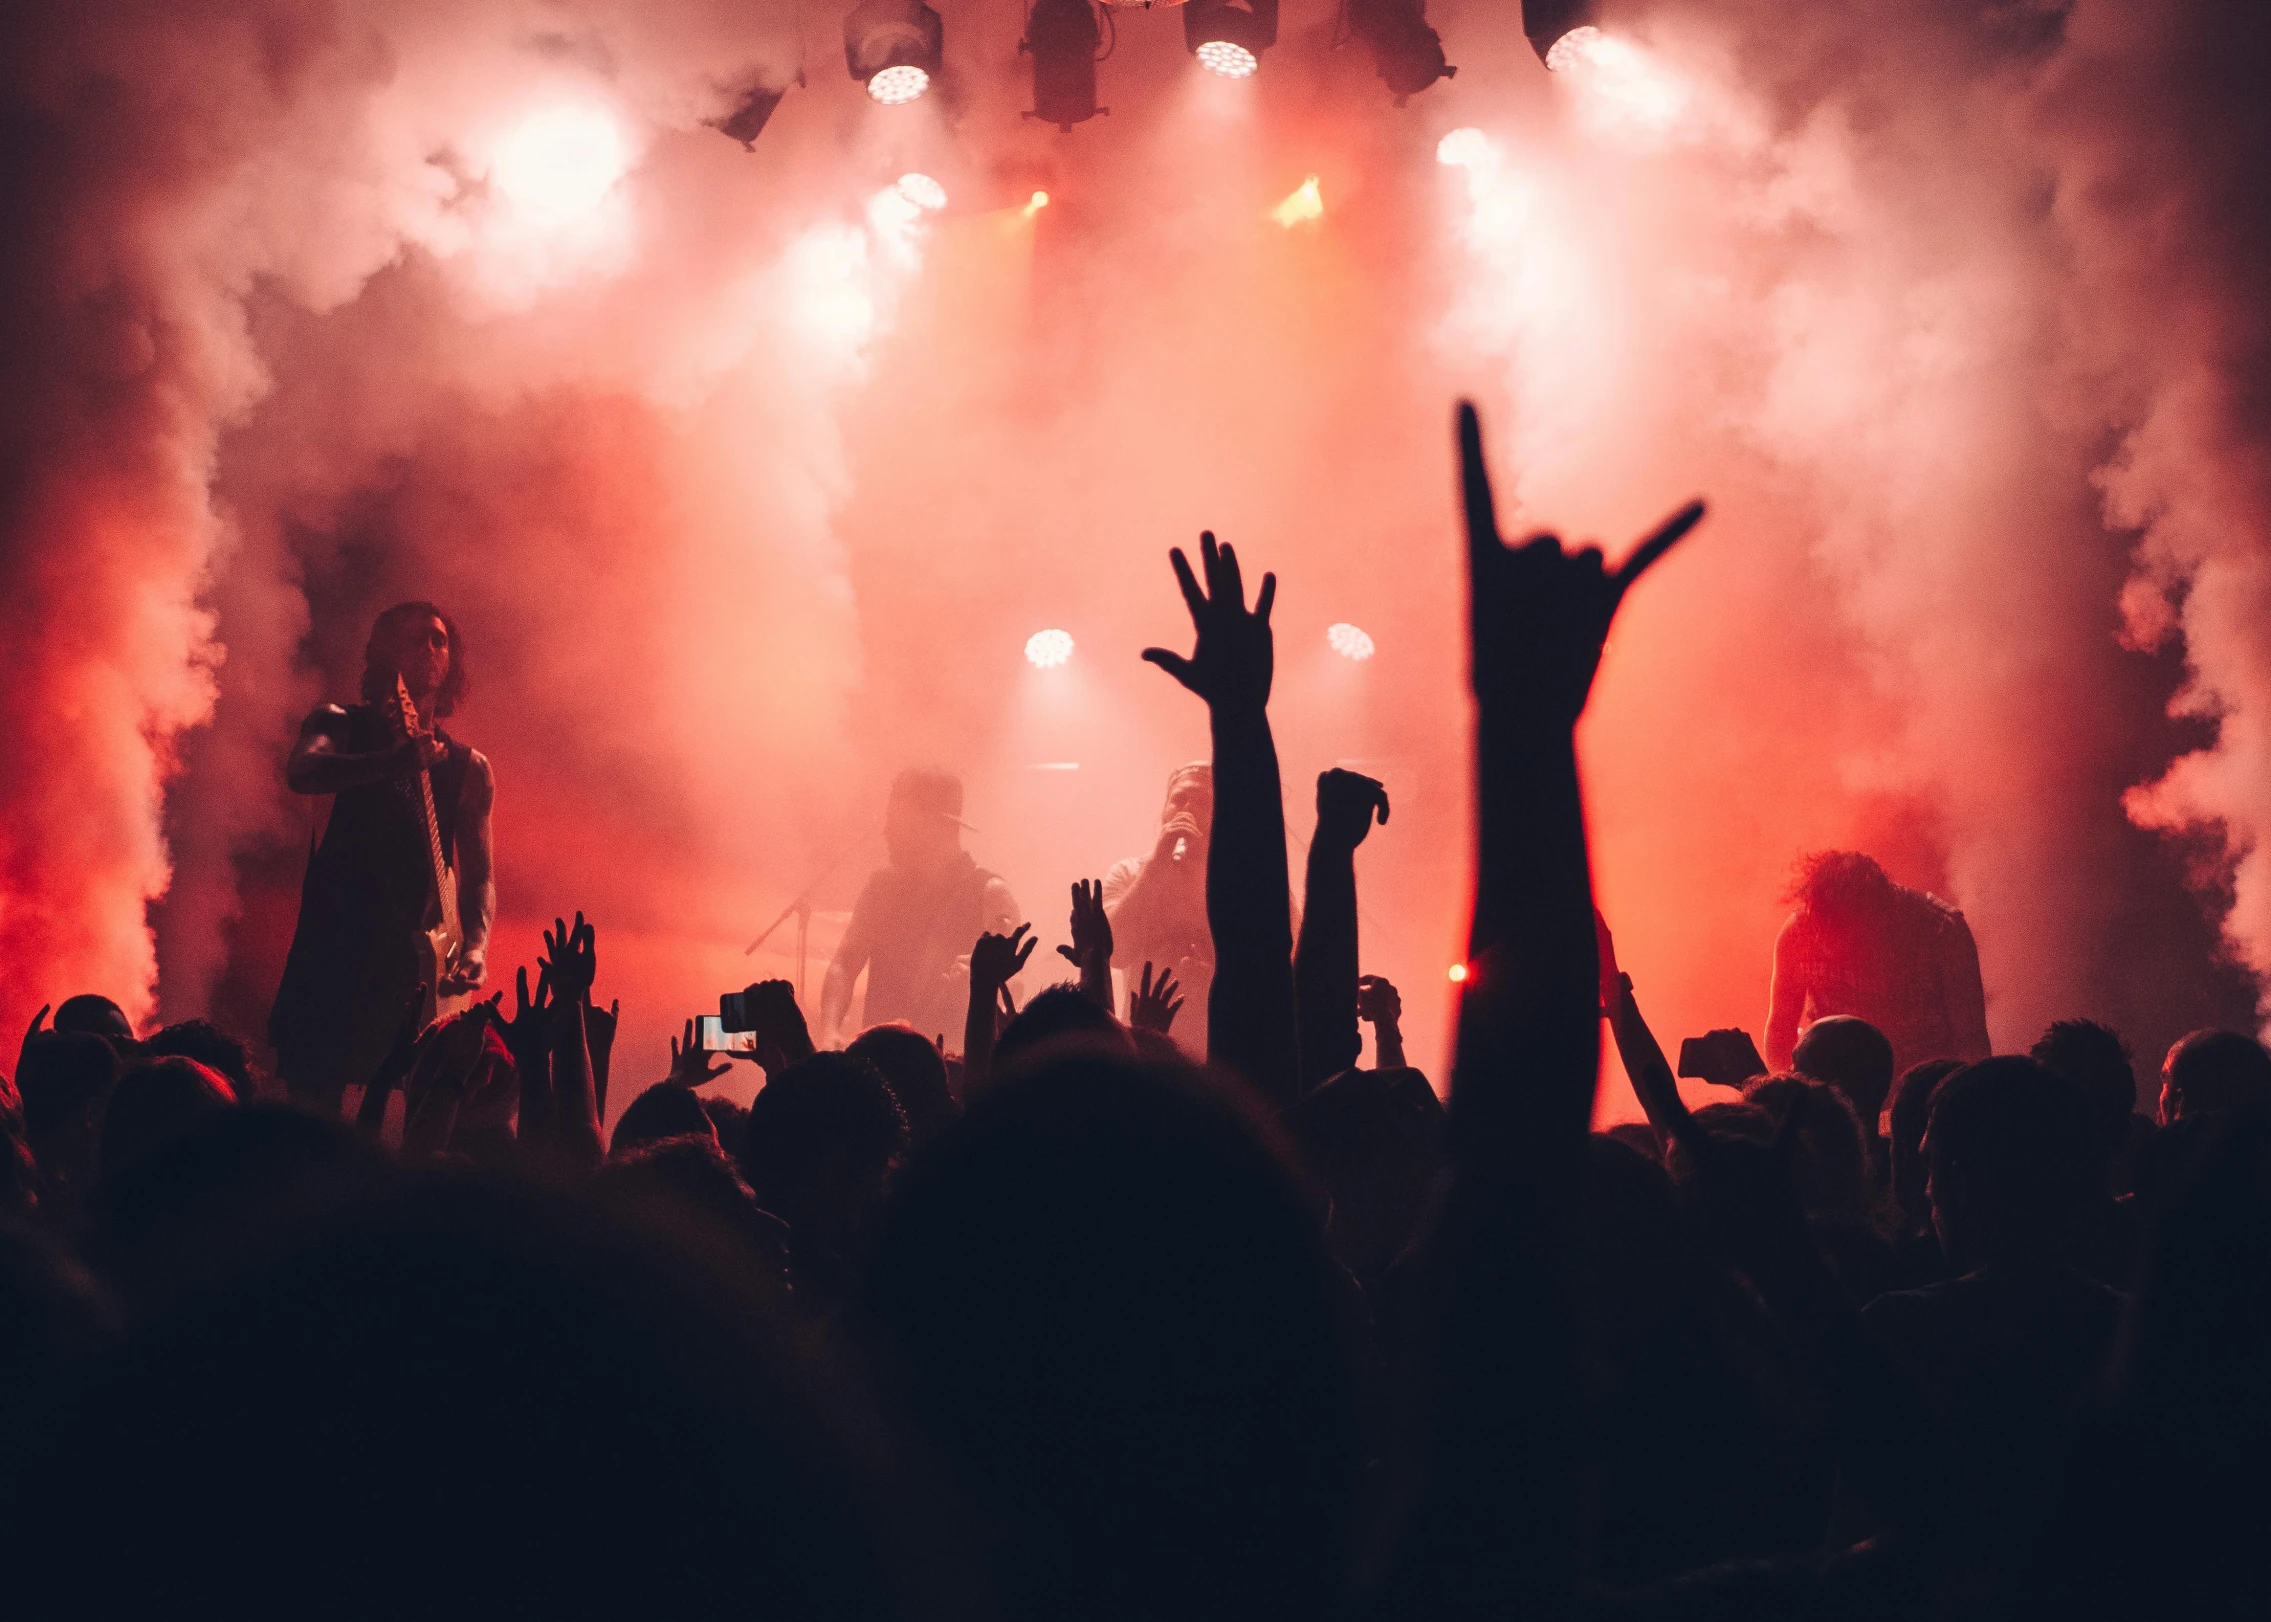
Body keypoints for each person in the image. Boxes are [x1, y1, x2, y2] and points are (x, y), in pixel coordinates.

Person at [267, 602, 494, 1113]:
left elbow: (479, 876)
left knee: (412, 1112)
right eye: (414, 638)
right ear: (381, 652)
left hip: (415, 969)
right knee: (311, 1110)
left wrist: (475, 945)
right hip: (333, 953)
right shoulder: (338, 722)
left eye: (439, 639)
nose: (429, 648)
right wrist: (389, 762)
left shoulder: (470, 769)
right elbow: (303, 772)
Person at [819, 769, 1018, 1046]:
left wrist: (984, 978)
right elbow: (844, 963)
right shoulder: (882, 887)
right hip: (879, 1063)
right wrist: (829, 1031)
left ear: (932, 826)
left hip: (955, 1069)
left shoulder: (990, 893)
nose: (886, 832)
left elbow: (1015, 987)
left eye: (896, 821)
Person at [1764, 851, 1991, 1077]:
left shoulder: (1941, 929)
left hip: (1922, 1087)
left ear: (1877, 912)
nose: (1835, 944)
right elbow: (1780, 1030)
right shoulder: (1800, 930)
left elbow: (1970, 1040)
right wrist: (1786, 1095)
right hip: (1834, 1089)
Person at [1103, 763, 1215, 1052]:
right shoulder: (1128, 873)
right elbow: (1111, 951)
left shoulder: (1248, 884)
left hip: (1221, 1056)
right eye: (1178, 799)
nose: (1187, 809)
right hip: (1145, 1051)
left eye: (1202, 801)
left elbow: (1284, 970)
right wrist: (1157, 865)